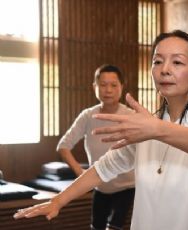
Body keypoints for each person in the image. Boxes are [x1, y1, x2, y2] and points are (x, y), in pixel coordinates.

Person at [14, 30, 188, 230]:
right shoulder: (144, 128)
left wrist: (158, 128)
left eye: (177, 62)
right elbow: (104, 167)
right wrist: (59, 200)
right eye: (158, 61)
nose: (165, 69)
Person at [56, 64, 135, 230]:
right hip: (99, 186)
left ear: (122, 87)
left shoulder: (131, 116)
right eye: (103, 85)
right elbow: (63, 146)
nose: (108, 90)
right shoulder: (87, 116)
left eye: (113, 85)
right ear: (94, 87)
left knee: (114, 227)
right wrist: (81, 174)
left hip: (127, 187)